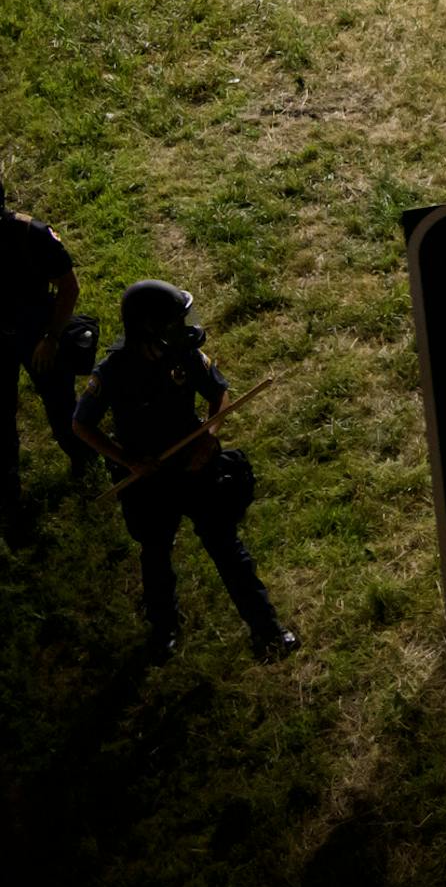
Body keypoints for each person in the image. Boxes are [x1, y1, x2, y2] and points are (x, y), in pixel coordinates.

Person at [73, 280, 299, 665]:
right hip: (148, 477)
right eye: (175, 321)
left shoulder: (184, 354)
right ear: (149, 327)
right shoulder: (112, 373)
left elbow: (218, 394)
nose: (185, 327)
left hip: (195, 467)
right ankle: (165, 632)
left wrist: (208, 439)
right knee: (156, 556)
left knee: (228, 550)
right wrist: (128, 461)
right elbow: (82, 425)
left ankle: (267, 631)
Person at [4, 180, 98, 517]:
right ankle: (10, 496)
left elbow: (69, 288)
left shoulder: (32, 235)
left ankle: (85, 464)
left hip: (38, 336)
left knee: (60, 408)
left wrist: (52, 338)